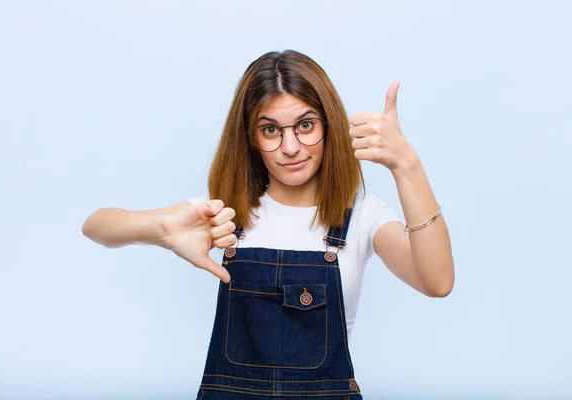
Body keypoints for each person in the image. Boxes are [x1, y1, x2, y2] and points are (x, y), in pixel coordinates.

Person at [82, 49, 454, 399]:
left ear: (329, 125)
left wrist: (406, 164)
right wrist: (161, 231)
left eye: (305, 125)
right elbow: (97, 226)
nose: (290, 147)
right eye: (271, 130)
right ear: (251, 138)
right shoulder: (223, 215)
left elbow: (436, 281)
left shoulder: (363, 217)